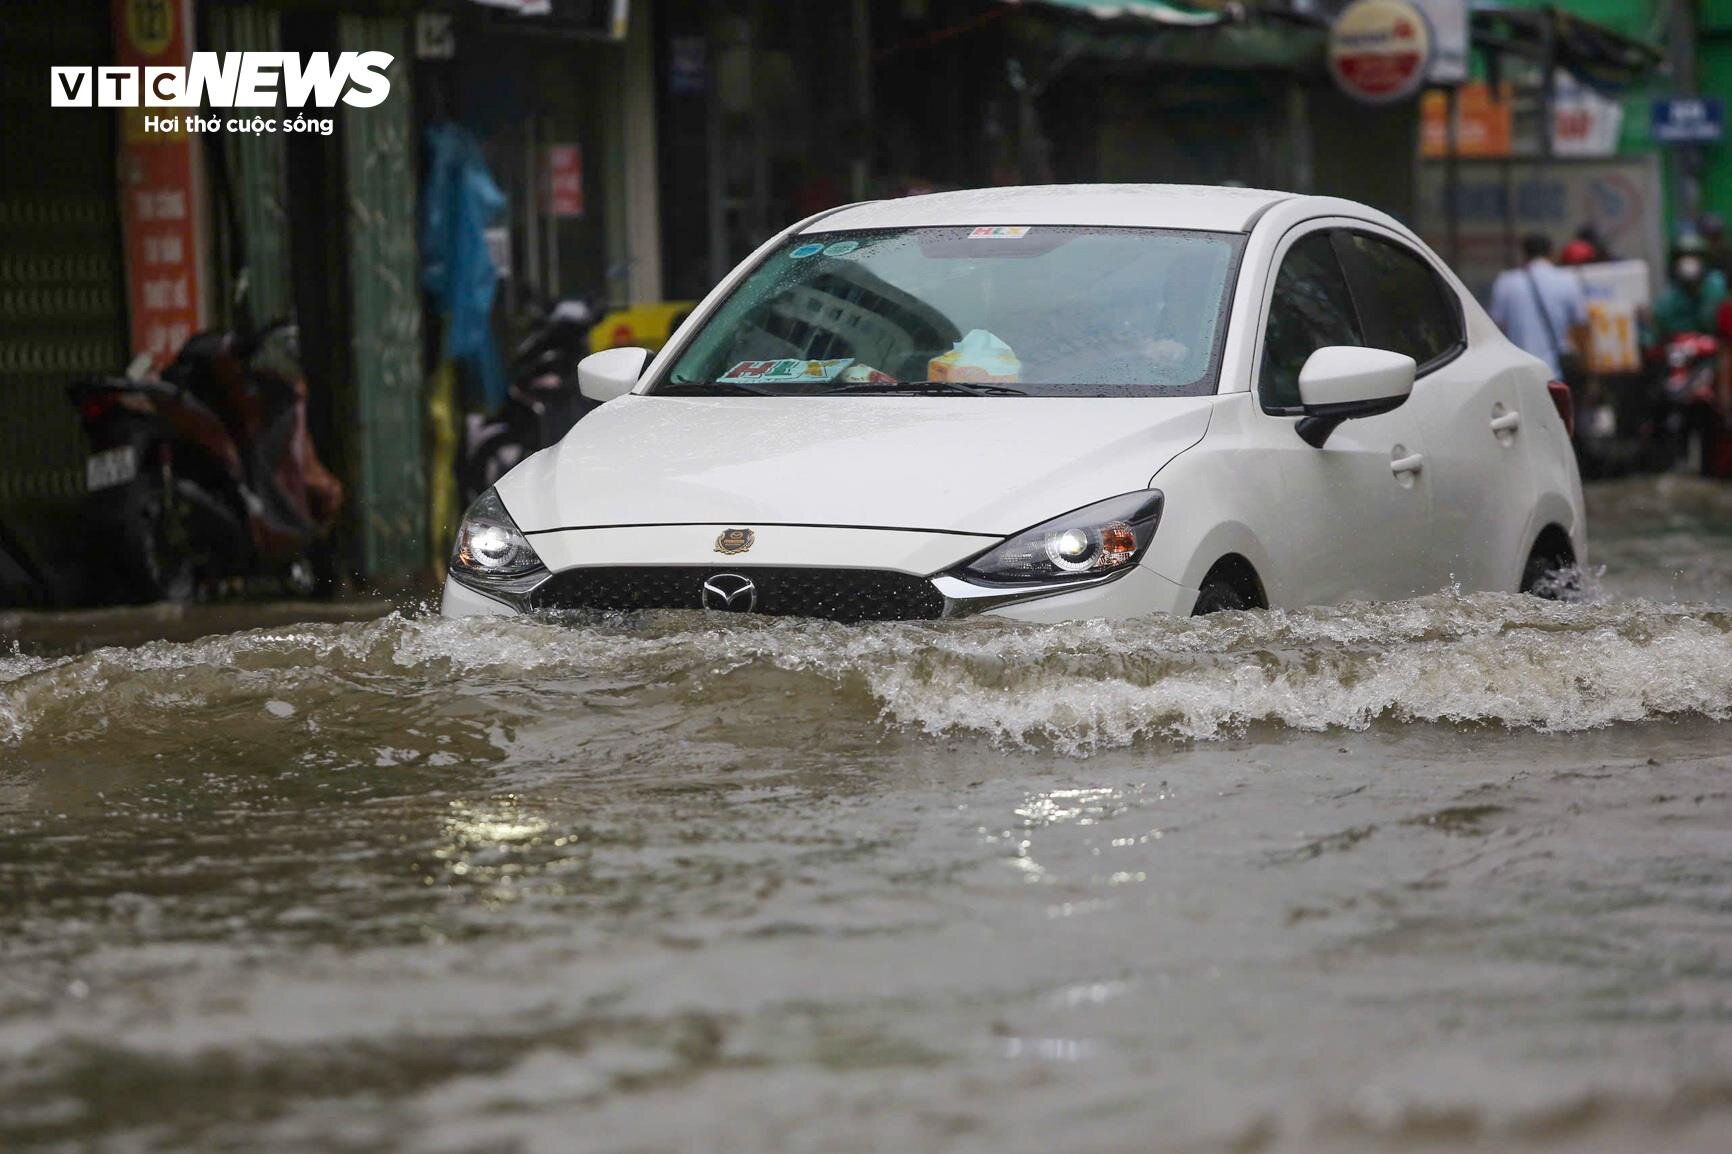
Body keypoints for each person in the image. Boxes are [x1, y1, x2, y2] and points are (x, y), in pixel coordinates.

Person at [1488, 233, 1589, 380]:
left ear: (1524, 255)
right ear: (1552, 253)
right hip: (1556, 371)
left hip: (1519, 372)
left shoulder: (1506, 282)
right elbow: (1581, 323)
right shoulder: (1567, 280)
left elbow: (1497, 324)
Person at [1652, 235, 1730, 342]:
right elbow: (1659, 336)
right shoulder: (1666, 302)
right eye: (1683, 257)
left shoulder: (1717, 289)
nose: (1689, 263)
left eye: (1694, 257)